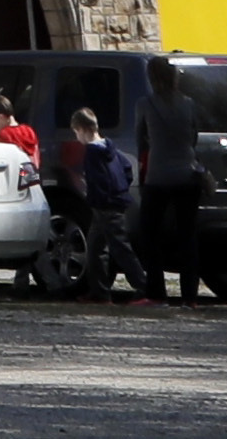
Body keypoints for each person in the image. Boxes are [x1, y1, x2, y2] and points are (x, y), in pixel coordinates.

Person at [129, 57, 206, 305]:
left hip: (159, 174)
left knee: (150, 234)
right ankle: (190, 296)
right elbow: (194, 136)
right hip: (188, 172)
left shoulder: (146, 104)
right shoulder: (189, 104)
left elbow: (140, 138)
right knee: (188, 236)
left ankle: (156, 292)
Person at [49, 106, 136, 294]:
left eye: (76, 132)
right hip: (113, 202)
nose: (76, 137)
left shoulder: (91, 153)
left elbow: (97, 180)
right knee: (96, 250)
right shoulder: (111, 148)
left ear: (82, 129)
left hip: (104, 205)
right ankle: (99, 292)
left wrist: (96, 196)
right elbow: (127, 168)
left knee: (120, 249)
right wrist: (120, 187)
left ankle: (145, 287)